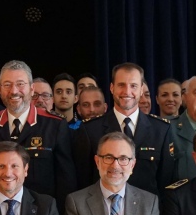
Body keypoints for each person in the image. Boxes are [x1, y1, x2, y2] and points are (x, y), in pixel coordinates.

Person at [0, 60, 76, 207]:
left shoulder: (55, 125)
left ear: (32, 89)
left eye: (20, 84)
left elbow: (66, 181)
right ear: (0, 90)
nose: (14, 91)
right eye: (7, 85)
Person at [74, 63, 174, 195]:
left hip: (147, 213)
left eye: (133, 86)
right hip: (102, 212)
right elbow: (83, 181)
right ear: (112, 88)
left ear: (141, 89)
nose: (127, 92)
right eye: (121, 85)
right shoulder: (90, 130)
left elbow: (166, 182)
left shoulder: (161, 130)